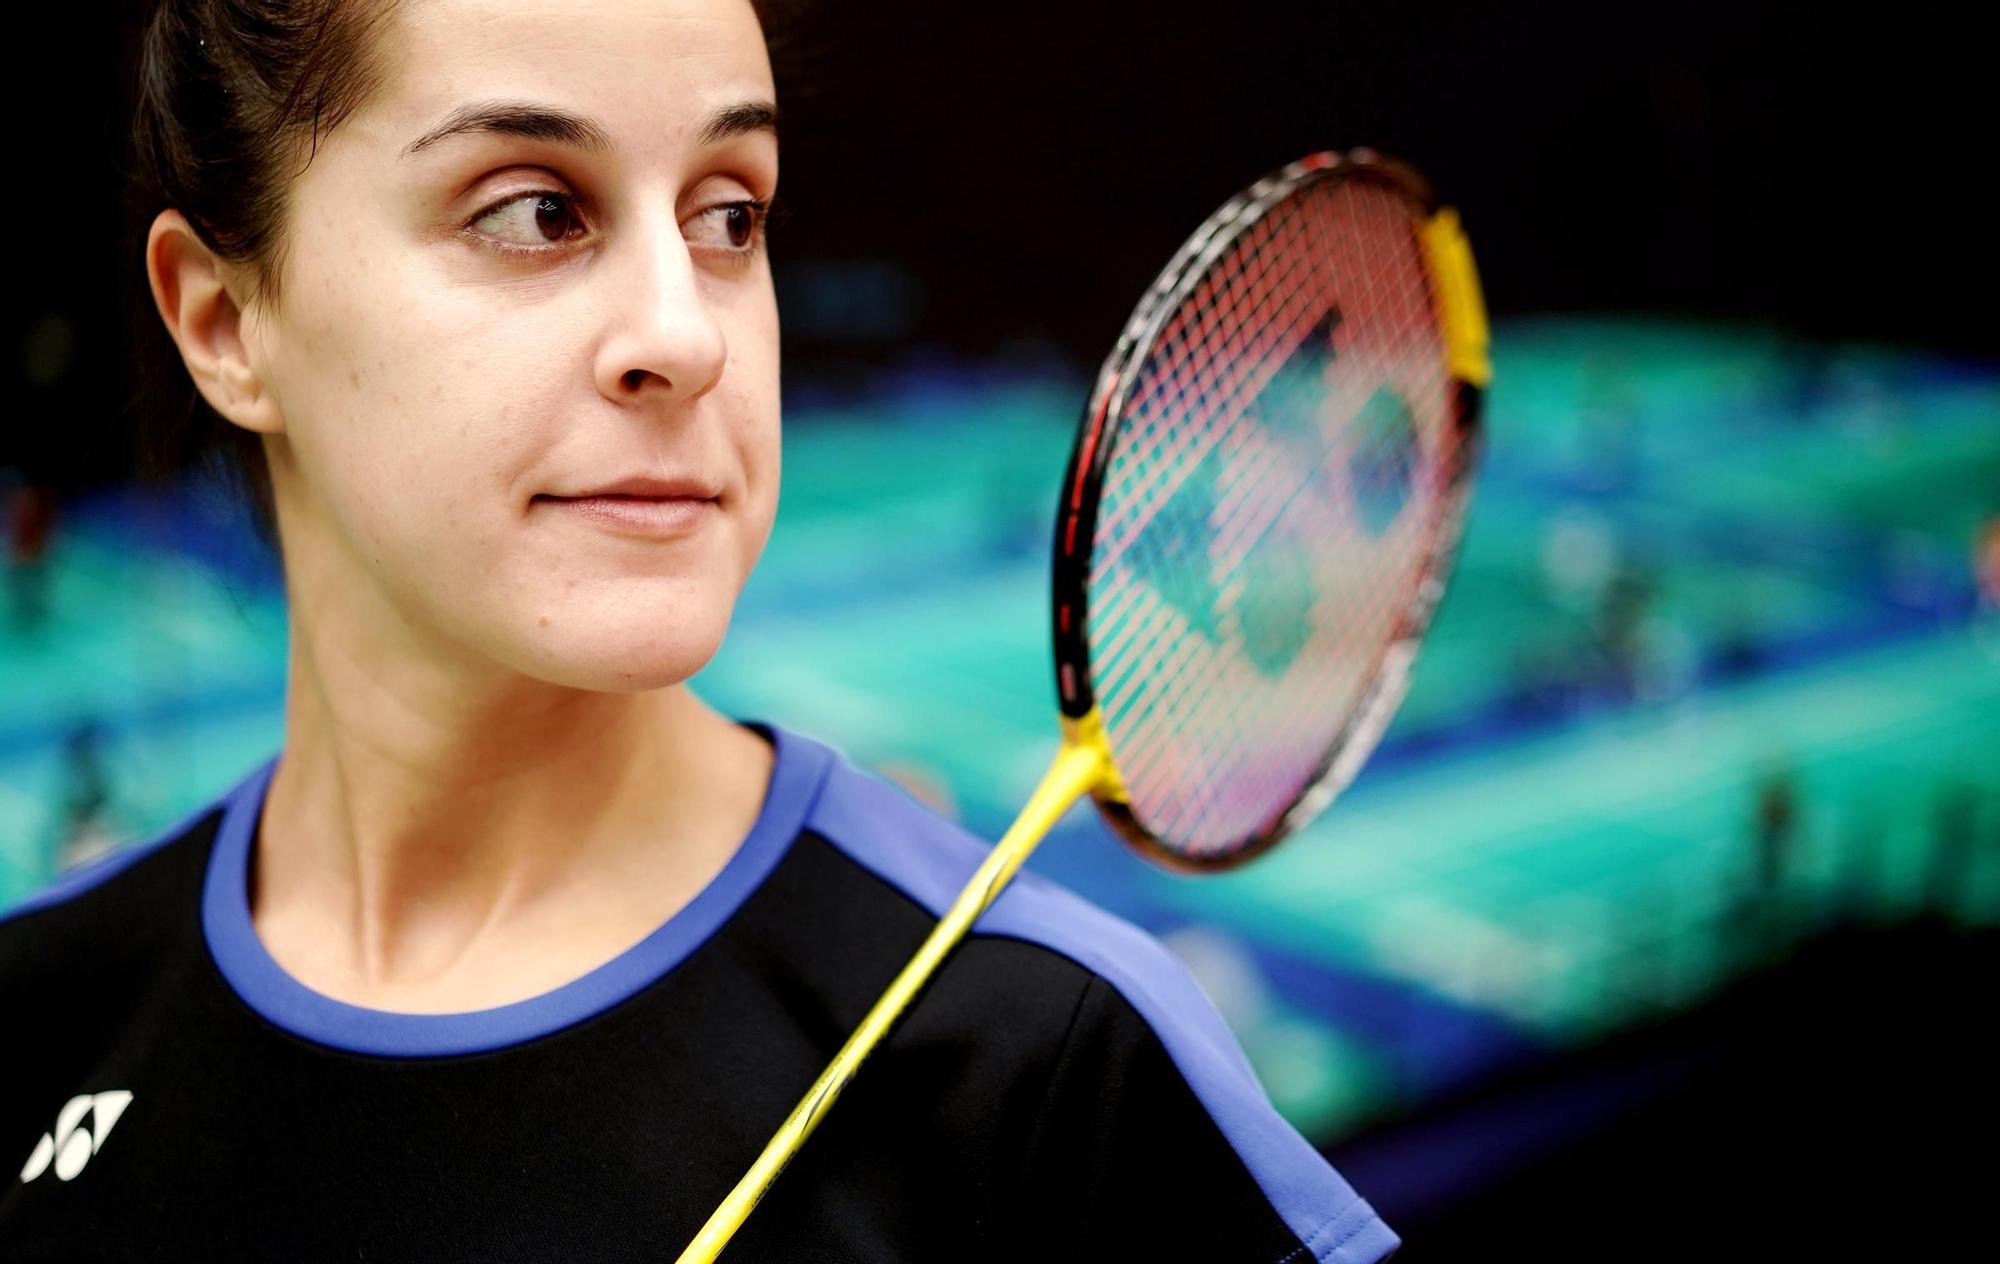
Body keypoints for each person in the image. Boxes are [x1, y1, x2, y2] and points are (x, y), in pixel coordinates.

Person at [0, 2, 1398, 1259]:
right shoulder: (40, 1007)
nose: (689, 333)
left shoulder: (1044, 1060)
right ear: (226, 321)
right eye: (536, 210)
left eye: (730, 214)